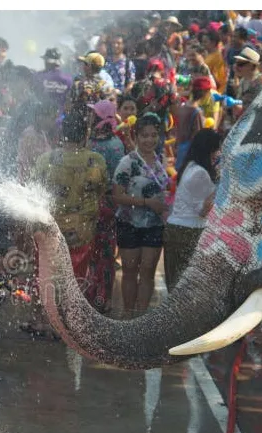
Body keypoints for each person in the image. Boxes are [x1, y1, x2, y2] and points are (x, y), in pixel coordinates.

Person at [33, 111, 108, 305]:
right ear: (85, 135)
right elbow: (102, 191)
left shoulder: (46, 161)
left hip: (50, 230)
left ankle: (44, 322)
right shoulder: (96, 161)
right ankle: (70, 324)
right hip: (82, 232)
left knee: (49, 278)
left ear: (61, 134)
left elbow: (33, 194)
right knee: (75, 280)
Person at [112, 113, 169, 316]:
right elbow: (117, 196)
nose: (150, 140)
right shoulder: (127, 162)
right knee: (129, 272)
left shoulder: (162, 160)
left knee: (148, 272)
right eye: (145, 135)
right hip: (129, 223)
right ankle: (129, 316)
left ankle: (142, 317)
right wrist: (146, 203)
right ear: (136, 137)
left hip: (154, 225)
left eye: (154, 135)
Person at [163, 129, 220, 292]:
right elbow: (203, 210)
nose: (218, 153)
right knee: (186, 289)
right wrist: (218, 187)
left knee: (175, 286)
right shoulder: (200, 174)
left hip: (178, 229)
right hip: (189, 231)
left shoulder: (190, 166)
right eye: (216, 149)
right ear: (208, 150)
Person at [87, 100, 127, 313]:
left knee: (98, 251)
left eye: (95, 114)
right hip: (102, 205)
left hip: (99, 205)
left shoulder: (103, 143)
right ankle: (100, 296)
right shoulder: (115, 143)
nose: (91, 117)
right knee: (103, 252)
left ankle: (98, 296)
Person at [171, 77, 209, 169]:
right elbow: (198, 137)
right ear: (205, 93)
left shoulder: (183, 107)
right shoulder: (197, 112)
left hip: (180, 150)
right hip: (190, 156)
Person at [32, 47, 73, 111]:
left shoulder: (38, 76)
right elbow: (69, 101)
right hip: (61, 117)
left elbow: (33, 96)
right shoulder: (68, 79)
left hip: (42, 116)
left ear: (47, 62)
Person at [233, 46, 262, 118]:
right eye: (236, 63)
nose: (236, 66)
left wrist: (242, 109)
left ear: (252, 65)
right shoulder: (243, 81)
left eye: (240, 64)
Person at [202, 29, 227, 94]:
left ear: (213, 42)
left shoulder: (218, 57)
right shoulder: (210, 55)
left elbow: (218, 81)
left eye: (205, 42)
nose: (203, 44)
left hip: (214, 93)